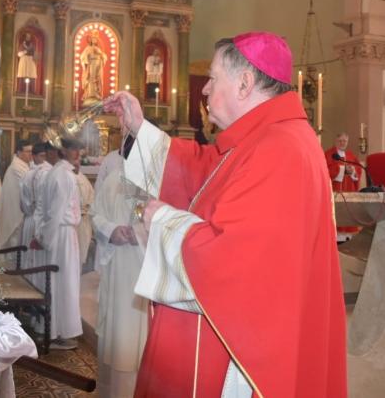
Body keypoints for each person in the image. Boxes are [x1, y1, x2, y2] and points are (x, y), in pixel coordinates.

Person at [104, 32, 347, 397]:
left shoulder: (280, 149)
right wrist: (139, 126)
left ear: (245, 83)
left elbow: (232, 261)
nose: (204, 90)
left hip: (245, 356)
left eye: (213, 78)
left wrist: (163, 223)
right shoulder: (265, 139)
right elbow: (203, 171)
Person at [91, 140, 148, 397]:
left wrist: (138, 232)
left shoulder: (157, 182)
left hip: (142, 270)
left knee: (136, 336)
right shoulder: (114, 178)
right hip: (117, 269)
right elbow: (95, 214)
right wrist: (112, 230)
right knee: (119, 335)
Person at [36, 137, 84, 350]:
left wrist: (45, 236)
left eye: (78, 150)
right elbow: (55, 212)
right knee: (63, 282)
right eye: (73, 150)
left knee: (60, 282)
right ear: (64, 150)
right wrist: (47, 238)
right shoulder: (64, 175)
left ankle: (53, 328)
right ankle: (56, 332)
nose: (77, 154)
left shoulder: (57, 172)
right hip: (62, 234)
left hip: (59, 233)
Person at [19, 142, 50, 290]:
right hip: (39, 221)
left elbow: (23, 203)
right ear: (34, 156)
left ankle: (29, 294)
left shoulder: (27, 174)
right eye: (42, 156)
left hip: (30, 220)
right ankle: (36, 295)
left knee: (29, 261)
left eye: (45, 155)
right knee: (37, 262)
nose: (44, 159)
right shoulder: (48, 173)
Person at [0, 140, 32, 249]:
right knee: (14, 243)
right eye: (28, 151)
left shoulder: (25, 166)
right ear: (19, 152)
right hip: (14, 213)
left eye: (31, 151)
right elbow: (29, 187)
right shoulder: (16, 168)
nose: (31, 154)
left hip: (20, 211)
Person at [73, 160, 94, 267]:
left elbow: (91, 195)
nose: (77, 166)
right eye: (74, 164)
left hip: (84, 220)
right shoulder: (66, 178)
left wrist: (87, 206)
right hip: (72, 223)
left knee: (82, 253)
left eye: (78, 164)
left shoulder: (83, 178)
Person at [79, 30, 106, 105]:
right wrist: (86, 61)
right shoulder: (87, 48)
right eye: (93, 39)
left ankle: (97, 94)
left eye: (95, 39)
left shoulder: (99, 49)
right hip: (91, 63)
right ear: (90, 40)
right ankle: (90, 94)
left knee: (98, 78)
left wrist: (100, 54)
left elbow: (104, 57)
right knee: (91, 78)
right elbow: (82, 57)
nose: (94, 40)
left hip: (98, 63)